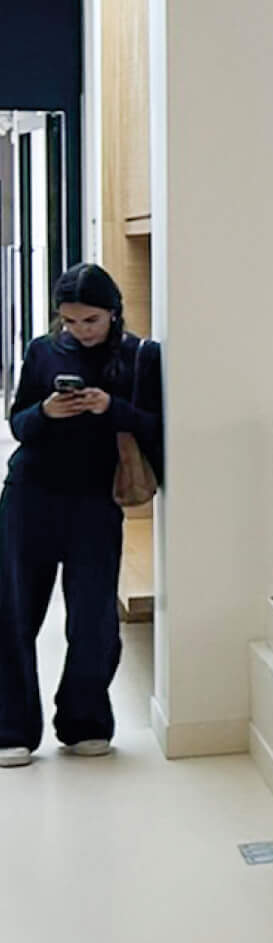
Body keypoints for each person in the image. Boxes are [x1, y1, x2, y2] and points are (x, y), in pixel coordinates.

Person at [0, 263, 163, 765]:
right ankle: (12, 729)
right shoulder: (42, 351)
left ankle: (85, 721)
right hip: (30, 495)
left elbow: (156, 427)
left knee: (93, 621)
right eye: (68, 321)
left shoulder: (142, 357)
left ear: (113, 312)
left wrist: (107, 407)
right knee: (15, 614)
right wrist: (47, 412)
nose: (78, 330)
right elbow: (19, 423)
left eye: (89, 320)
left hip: (95, 503)